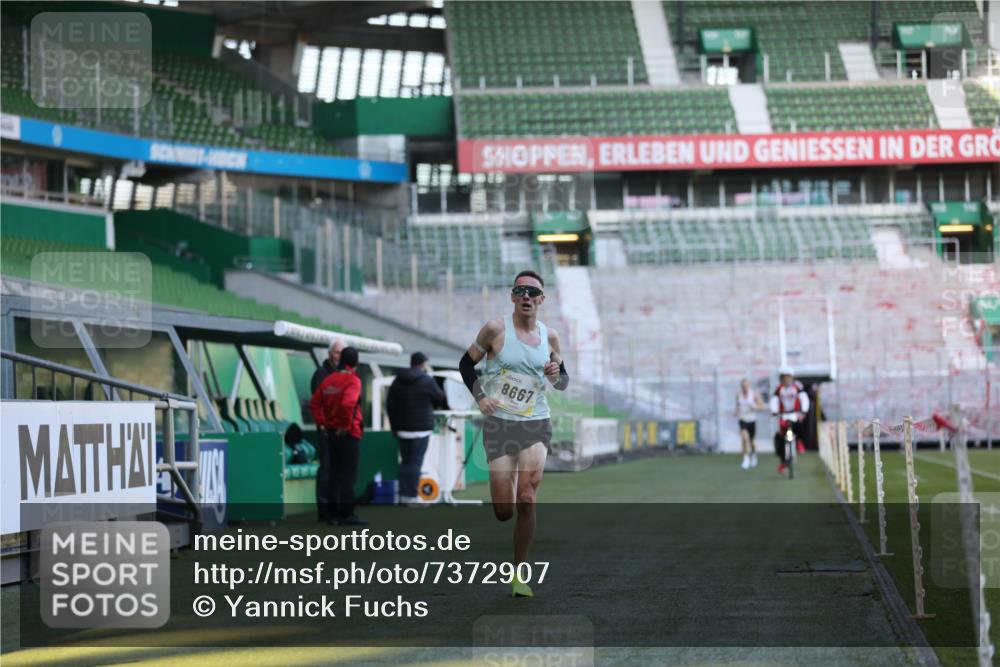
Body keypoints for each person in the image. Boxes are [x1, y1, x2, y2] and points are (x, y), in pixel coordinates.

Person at [459, 270, 570, 598]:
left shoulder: (550, 337)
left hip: (535, 423)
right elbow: (465, 365)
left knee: (527, 498)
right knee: (503, 510)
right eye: (519, 290)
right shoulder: (495, 329)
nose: (526, 296)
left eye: (532, 292)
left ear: (541, 300)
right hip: (500, 425)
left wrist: (555, 373)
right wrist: (481, 397)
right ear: (512, 296)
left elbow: (563, 382)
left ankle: (519, 573)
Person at [310, 346, 366, 526]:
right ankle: (347, 514)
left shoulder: (328, 380)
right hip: (348, 433)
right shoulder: (353, 380)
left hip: (331, 433)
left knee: (334, 474)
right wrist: (345, 426)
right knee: (348, 475)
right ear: (355, 362)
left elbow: (314, 403)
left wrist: (322, 423)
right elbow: (348, 404)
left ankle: (332, 515)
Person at [386, 351, 448, 506]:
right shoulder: (427, 380)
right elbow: (440, 398)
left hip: (401, 429)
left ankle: (403, 495)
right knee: (415, 463)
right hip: (421, 429)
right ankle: (412, 497)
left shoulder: (397, 381)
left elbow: (389, 405)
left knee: (405, 462)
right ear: (423, 364)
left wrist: (394, 427)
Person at [310, 340, 344, 522]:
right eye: (336, 352)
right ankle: (324, 510)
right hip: (327, 430)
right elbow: (317, 404)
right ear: (330, 353)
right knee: (327, 469)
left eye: (341, 352)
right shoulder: (321, 374)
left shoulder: (344, 375)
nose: (338, 355)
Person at [769, 370, 810, 474]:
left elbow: (804, 398)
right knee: (781, 438)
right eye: (785, 378)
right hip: (783, 415)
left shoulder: (797, 387)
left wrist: (804, 411)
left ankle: (799, 442)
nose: (787, 380)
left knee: (799, 425)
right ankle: (784, 462)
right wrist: (774, 411)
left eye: (789, 378)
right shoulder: (779, 389)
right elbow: (774, 400)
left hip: (795, 414)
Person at [735, 379, 765, 469]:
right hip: (742, 419)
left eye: (746, 386)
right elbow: (737, 406)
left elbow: (761, 406)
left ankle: (754, 455)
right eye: (743, 386)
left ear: (749, 386)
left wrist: (754, 406)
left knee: (751, 441)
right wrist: (736, 412)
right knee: (744, 438)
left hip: (751, 420)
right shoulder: (738, 395)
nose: (745, 388)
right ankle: (746, 459)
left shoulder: (754, 395)